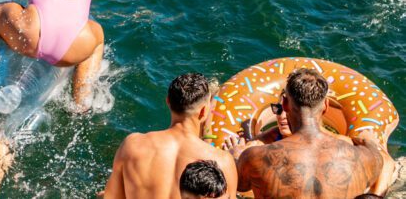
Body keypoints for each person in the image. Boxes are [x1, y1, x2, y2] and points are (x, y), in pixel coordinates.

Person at [229, 67, 385, 199]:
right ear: (326, 105)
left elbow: (239, 186)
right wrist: (369, 141)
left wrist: (234, 155)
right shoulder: (365, 157)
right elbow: (382, 164)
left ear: (285, 103)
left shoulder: (255, 157)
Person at [102, 73, 237, 198]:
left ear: (168, 101)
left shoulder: (132, 145)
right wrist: (236, 157)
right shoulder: (223, 161)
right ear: (203, 111)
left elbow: (111, 197)